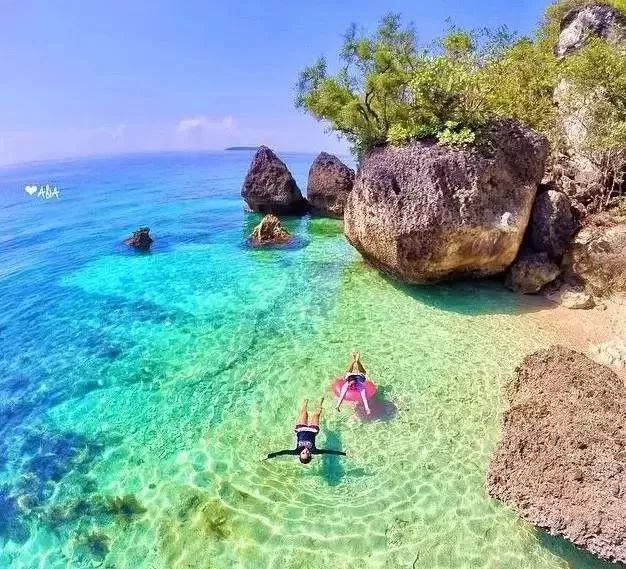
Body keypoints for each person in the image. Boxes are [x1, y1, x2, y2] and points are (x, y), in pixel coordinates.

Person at [265, 398, 346, 464]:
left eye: (303, 453)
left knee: (304, 411)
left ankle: (306, 399)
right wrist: (344, 454)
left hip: (300, 429)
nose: (306, 451)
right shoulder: (314, 451)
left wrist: (270, 455)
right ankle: (321, 399)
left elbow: (283, 452)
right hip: (313, 430)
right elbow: (328, 452)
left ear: (299, 455)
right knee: (316, 414)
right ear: (310, 455)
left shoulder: (296, 451)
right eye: (307, 454)